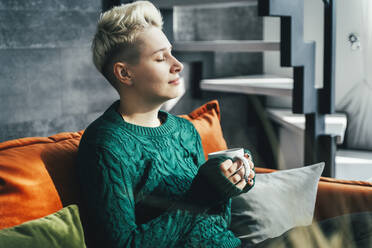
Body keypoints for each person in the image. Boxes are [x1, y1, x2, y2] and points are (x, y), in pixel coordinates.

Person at [76, 1, 255, 248]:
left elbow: (217, 222)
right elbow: (123, 244)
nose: (178, 65)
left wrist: (230, 181)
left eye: (171, 52)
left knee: (328, 227)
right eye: (161, 58)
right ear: (125, 74)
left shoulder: (185, 131)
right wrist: (203, 195)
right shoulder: (105, 145)